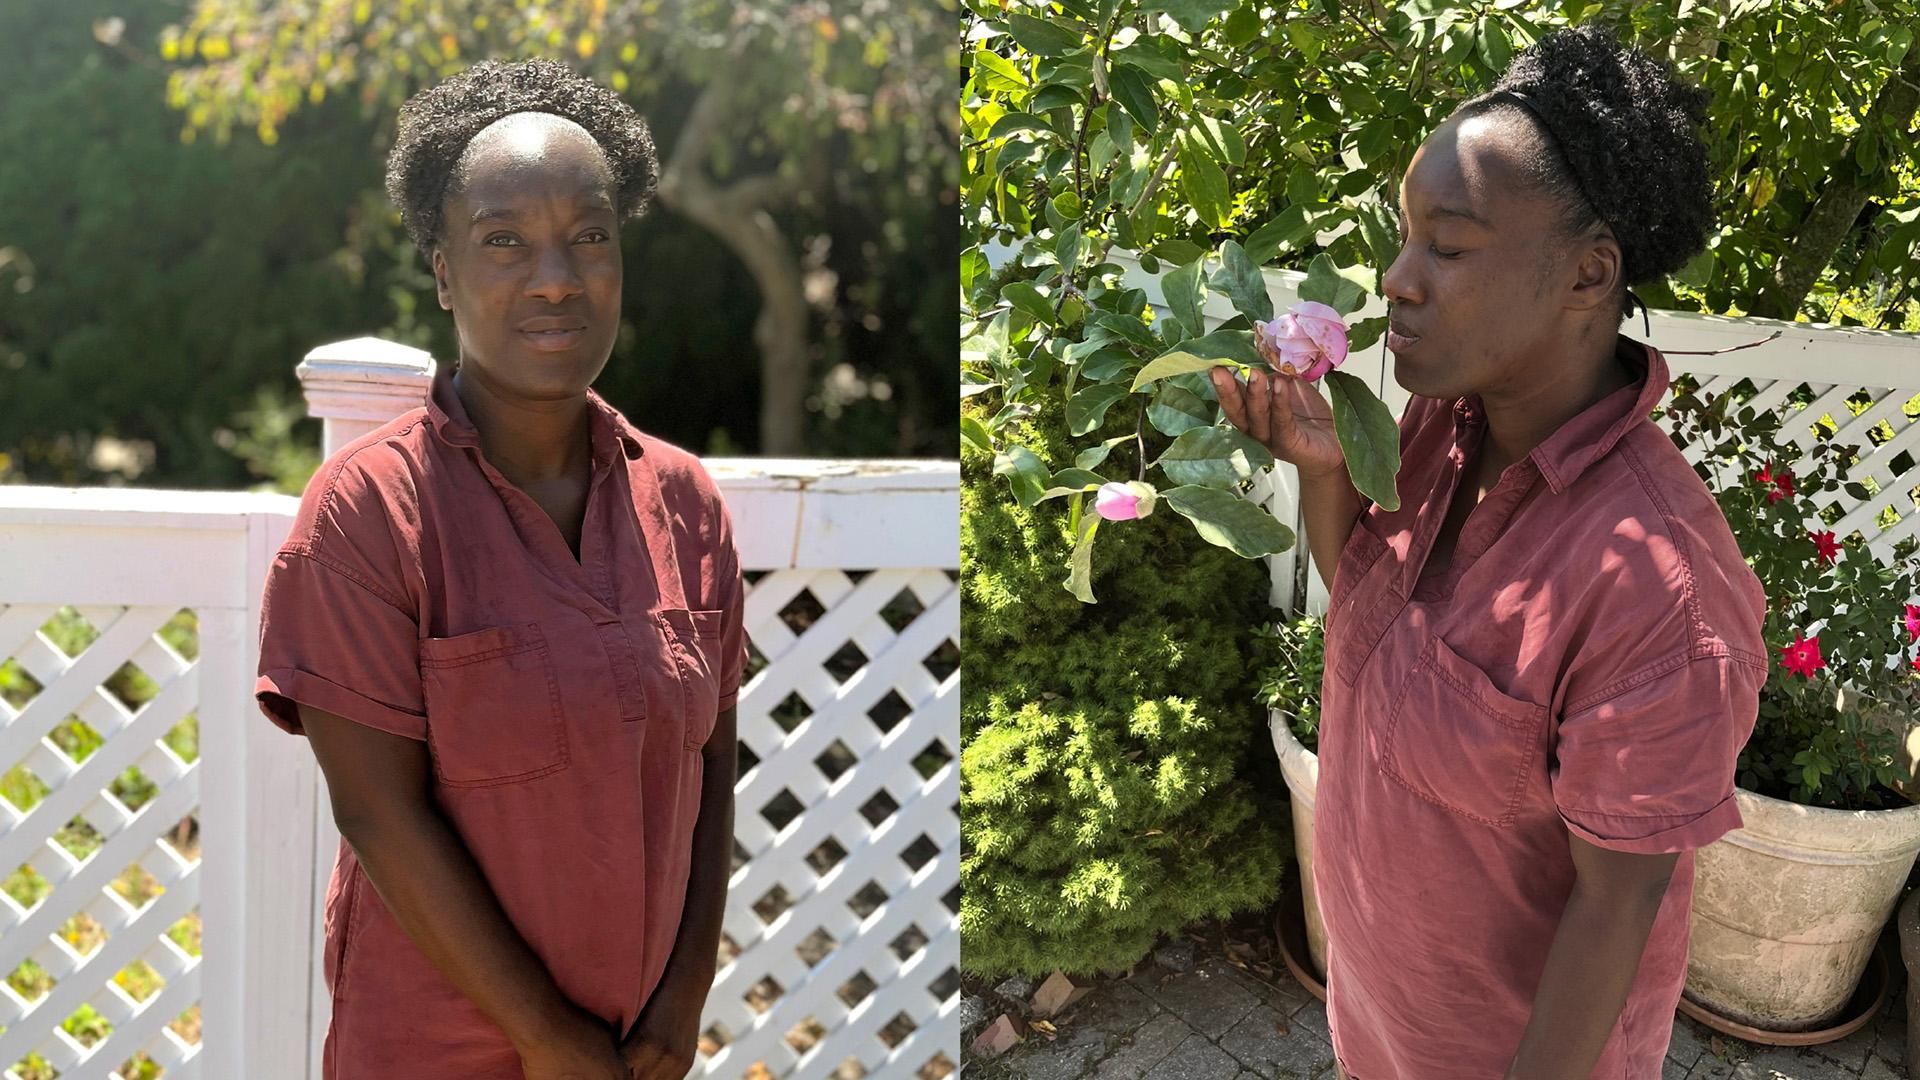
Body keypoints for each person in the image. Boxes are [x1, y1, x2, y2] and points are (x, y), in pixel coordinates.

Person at [1211, 24, 1766, 1080]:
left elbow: (1618, 909)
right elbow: (1384, 628)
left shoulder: (1655, 586)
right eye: (1405, 236)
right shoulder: (1440, 429)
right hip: (1381, 1023)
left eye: (1448, 247)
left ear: (1588, 274)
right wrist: (1327, 472)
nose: (1397, 279)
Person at [254, 58, 745, 1080]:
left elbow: (709, 766)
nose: (556, 275)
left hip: (634, 1055)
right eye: (504, 241)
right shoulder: (367, 513)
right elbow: (378, 813)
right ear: (442, 271)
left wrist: (683, 1003)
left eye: (590, 236)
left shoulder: (686, 503)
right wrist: (549, 1043)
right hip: (443, 1052)